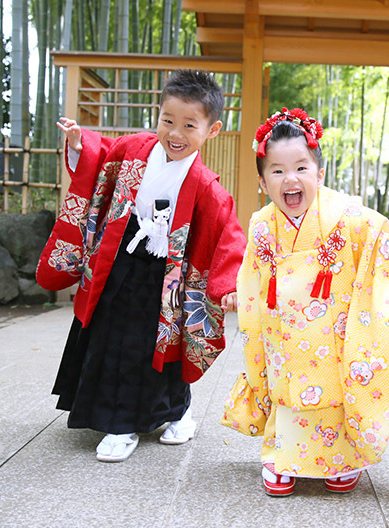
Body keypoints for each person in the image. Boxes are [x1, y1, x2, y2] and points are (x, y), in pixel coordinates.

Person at [37, 69, 246, 462]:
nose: (175, 133)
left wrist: (228, 285)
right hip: (118, 261)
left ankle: (176, 413)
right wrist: (81, 146)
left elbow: (227, 237)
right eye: (168, 120)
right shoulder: (133, 149)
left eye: (189, 125)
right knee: (111, 337)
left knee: (159, 348)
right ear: (158, 114)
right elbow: (100, 160)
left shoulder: (205, 185)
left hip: (167, 280)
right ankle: (120, 423)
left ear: (212, 129)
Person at [222, 108, 389, 496]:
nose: (291, 179)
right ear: (262, 180)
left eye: (301, 168)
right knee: (285, 386)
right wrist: (243, 298)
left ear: (319, 174)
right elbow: (252, 275)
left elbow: (378, 236)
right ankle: (282, 453)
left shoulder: (352, 220)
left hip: (330, 332)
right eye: (277, 170)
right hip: (282, 332)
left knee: (333, 386)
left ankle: (341, 456)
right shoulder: (260, 224)